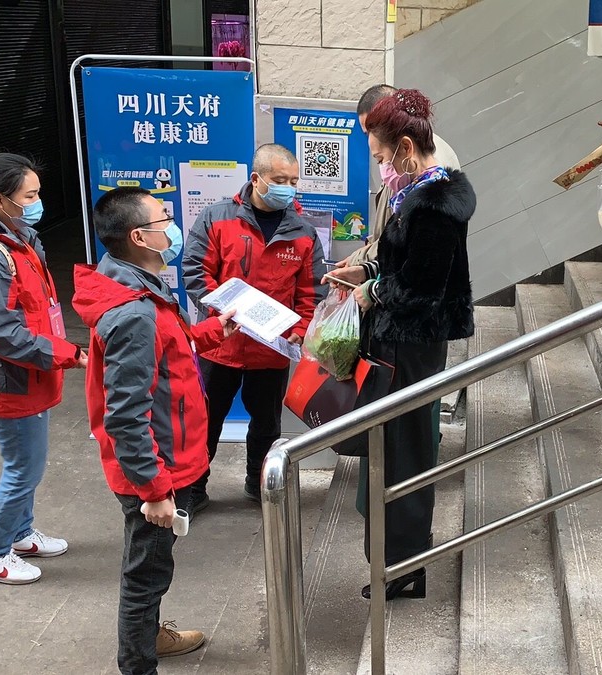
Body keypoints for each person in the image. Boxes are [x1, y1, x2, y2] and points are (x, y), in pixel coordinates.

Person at [75, 187, 238, 674]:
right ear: (140, 237)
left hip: (168, 458)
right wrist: (154, 490)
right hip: (155, 469)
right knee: (146, 575)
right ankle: (138, 662)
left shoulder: (139, 288)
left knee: (152, 566)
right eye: (164, 219)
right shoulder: (133, 311)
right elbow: (126, 414)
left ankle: (150, 637)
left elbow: (170, 351)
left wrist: (214, 331)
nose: (173, 226)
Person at [326, 89, 476, 601]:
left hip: (411, 346)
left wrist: (373, 291)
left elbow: (420, 287)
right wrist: (367, 269)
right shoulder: (419, 192)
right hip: (401, 344)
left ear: (406, 147)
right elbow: (403, 262)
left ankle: (404, 564)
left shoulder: (433, 206)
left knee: (405, 455)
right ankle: (395, 562)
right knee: (392, 451)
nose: (381, 168)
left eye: (382, 157)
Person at [0, 153, 87, 585]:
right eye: (30, 196)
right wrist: (66, 353)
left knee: (27, 463)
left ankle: (21, 534)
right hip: (9, 379)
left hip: (29, 371)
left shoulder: (16, 235)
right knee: (23, 468)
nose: (37, 202)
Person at [182, 144, 326, 511]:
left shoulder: (303, 232)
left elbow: (311, 290)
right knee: (205, 422)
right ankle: (193, 491)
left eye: (293, 181)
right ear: (256, 179)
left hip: (271, 349)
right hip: (219, 345)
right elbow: (196, 272)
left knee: (266, 426)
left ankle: (258, 486)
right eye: (279, 180)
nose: (288, 188)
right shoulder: (217, 218)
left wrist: (301, 327)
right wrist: (219, 314)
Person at [346, 84, 463, 267]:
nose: (372, 138)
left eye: (374, 128)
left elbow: (413, 263)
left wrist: (363, 267)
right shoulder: (404, 166)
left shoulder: (430, 186)